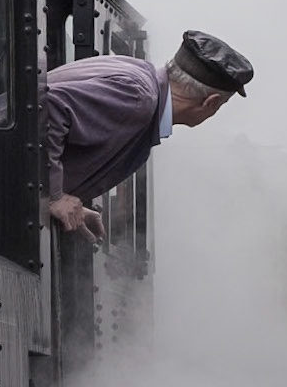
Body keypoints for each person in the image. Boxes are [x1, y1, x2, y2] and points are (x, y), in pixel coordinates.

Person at [43, 30, 253, 243]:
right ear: (211, 102)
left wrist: (69, 201)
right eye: (221, 106)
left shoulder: (138, 73)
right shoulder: (138, 98)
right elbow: (49, 108)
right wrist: (53, 195)